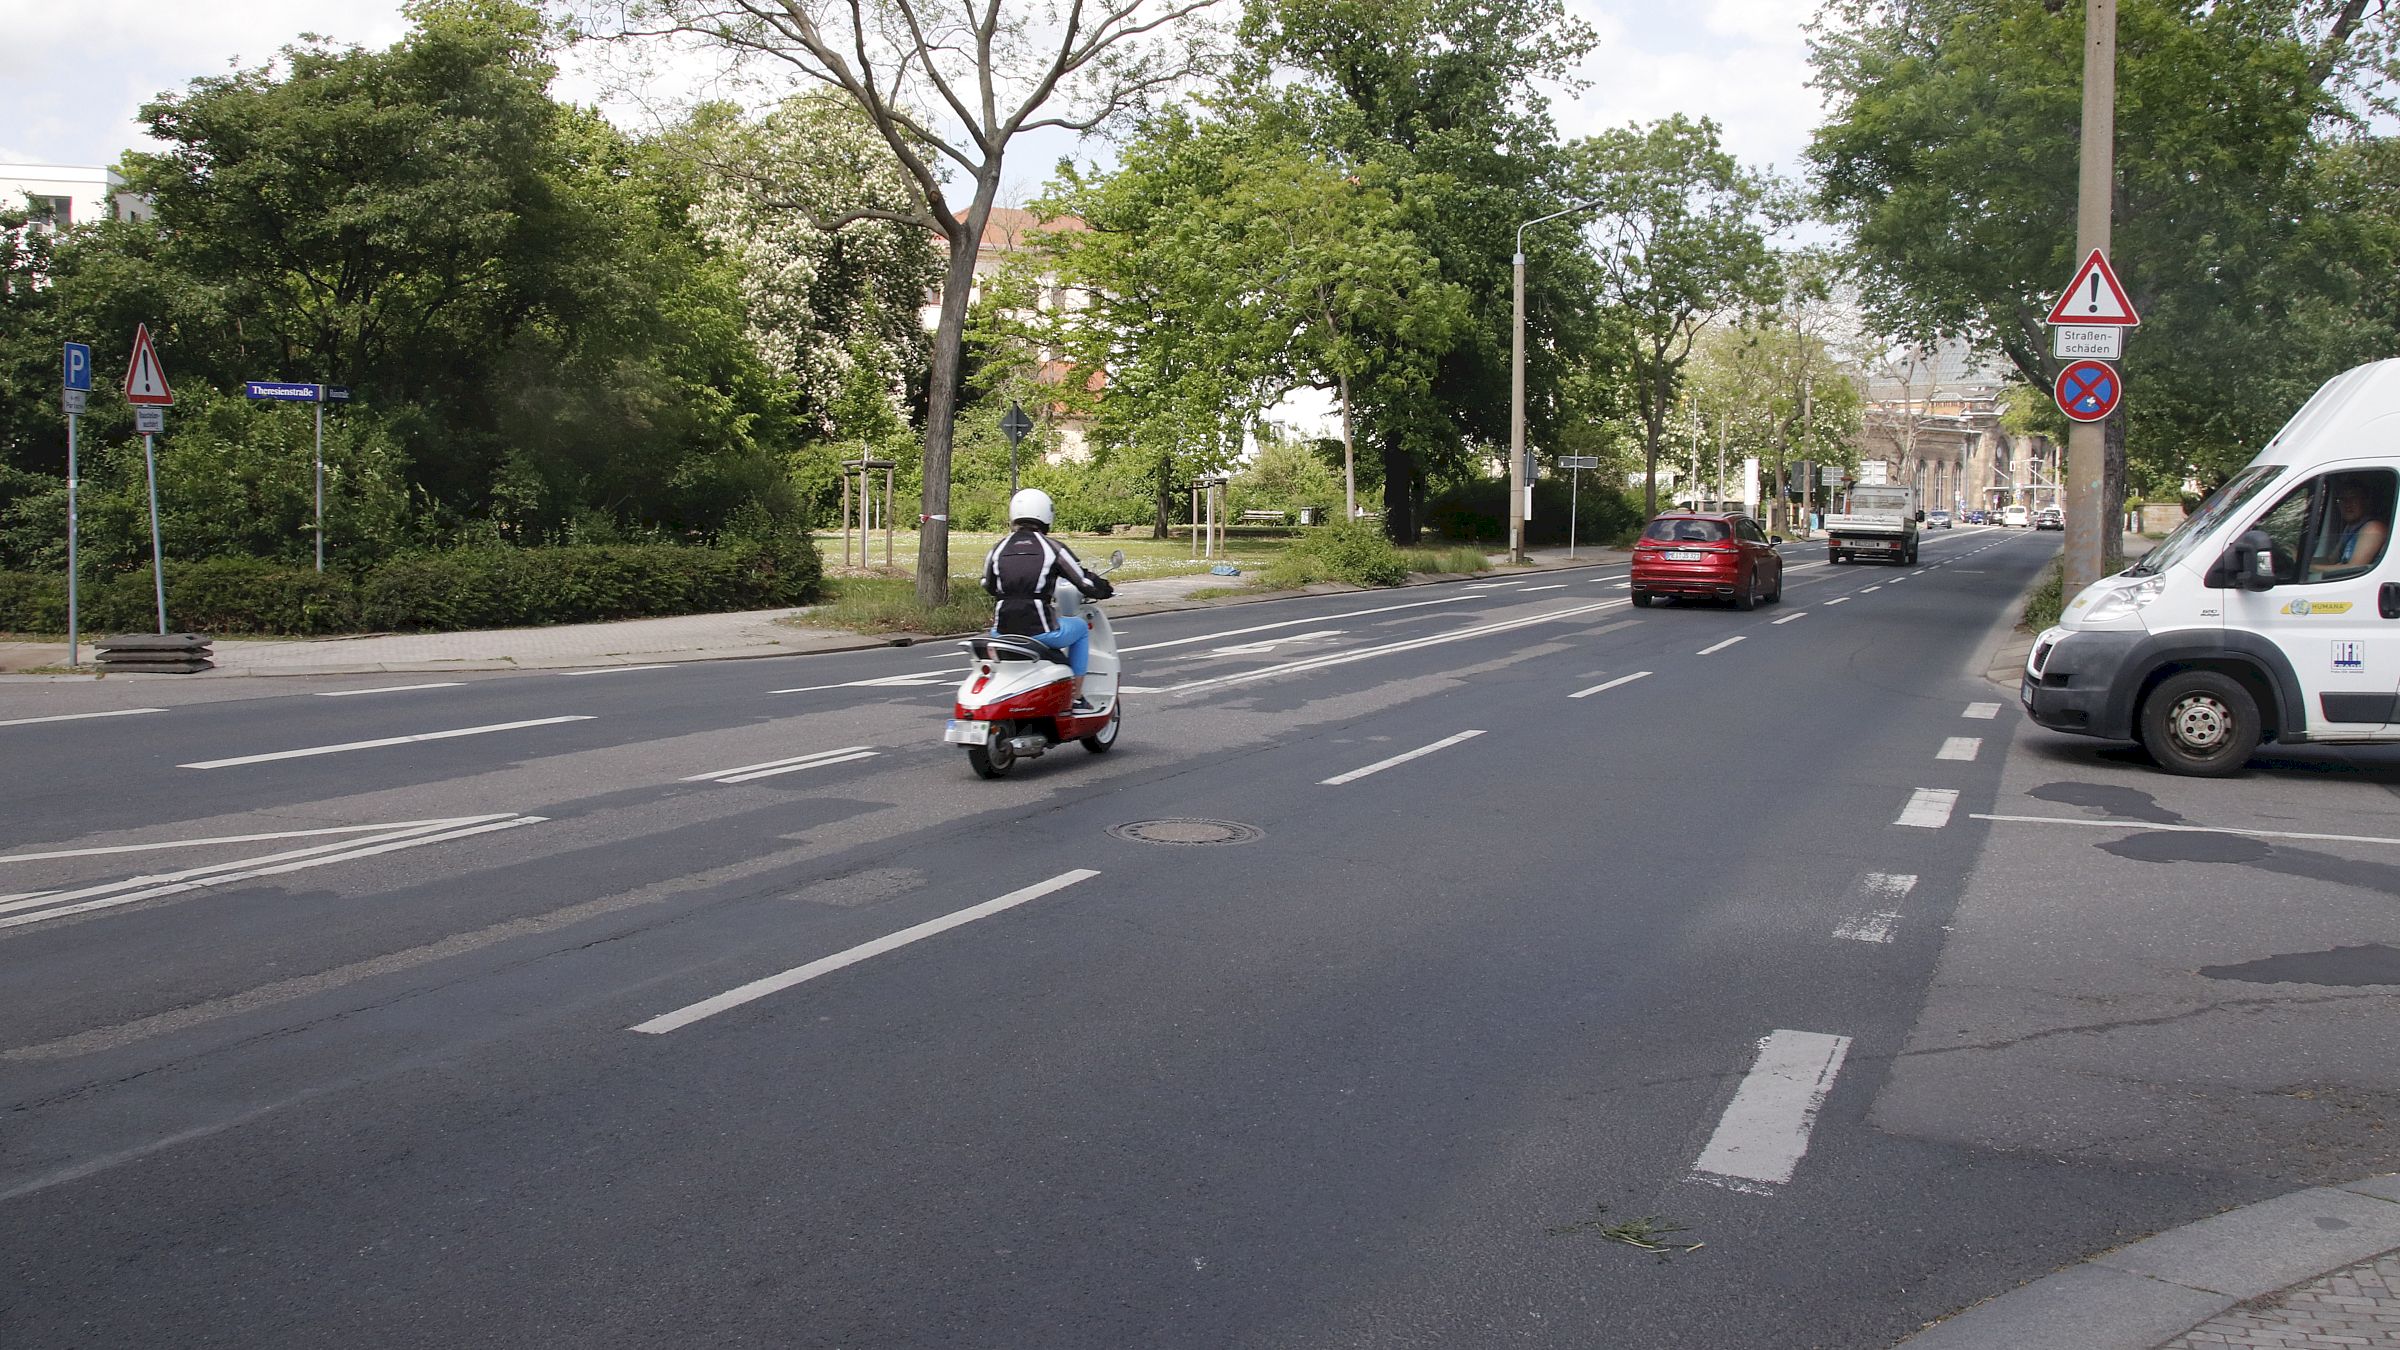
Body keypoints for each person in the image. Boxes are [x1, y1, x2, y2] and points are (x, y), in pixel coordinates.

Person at [982, 488, 1114, 710]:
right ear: (1046, 514)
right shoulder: (1052, 548)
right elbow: (1084, 582)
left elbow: (988, 584)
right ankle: (1076, 696)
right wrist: (1105, 589)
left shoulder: (998, 548)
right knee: (1081, 629)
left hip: (1002, 629)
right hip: (1039, 628)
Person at [2315, 474, 2391, 580]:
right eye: (2342, 499)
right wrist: (2300, 561)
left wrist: (2311, 568)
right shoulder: (2351, 528)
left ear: (2365, 501)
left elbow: (2354, 568)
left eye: (2353, 498)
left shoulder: (2373, 528)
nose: (2347, 504)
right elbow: (2331, 560)